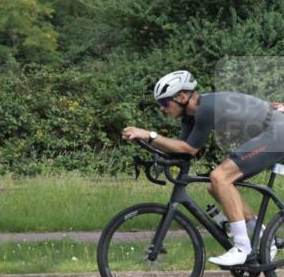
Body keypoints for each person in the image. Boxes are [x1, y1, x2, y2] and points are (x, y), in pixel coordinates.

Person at [121, 70, 284, 266]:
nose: (162, 109)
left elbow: (189, 148)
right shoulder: (189, 116)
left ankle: (242, 247)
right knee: (215, 185)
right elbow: (182, 152)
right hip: (271, 131)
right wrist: (150, 150)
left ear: (181, 97)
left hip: (276, 133)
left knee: (220, 177)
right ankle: (268, 240)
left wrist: (149, 135)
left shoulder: (205, 108)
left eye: (164, 103)